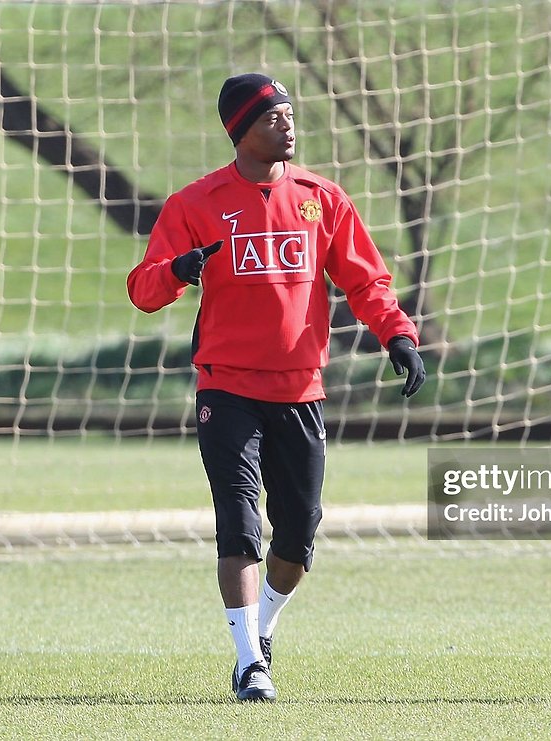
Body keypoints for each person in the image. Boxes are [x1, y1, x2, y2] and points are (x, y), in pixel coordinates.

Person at [127, 73, 425, 702]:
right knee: (238, 523)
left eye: (290, 115)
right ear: (241, 130)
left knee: (298, 533)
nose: (288, 126)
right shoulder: (196, 203)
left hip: (301, 390)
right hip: (226, 389)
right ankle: (247, 664)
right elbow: (143, 290)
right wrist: (178, 270)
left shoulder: (322, 197)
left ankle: (261, 630)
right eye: (273, 118)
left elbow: (366, 281)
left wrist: (398, 336)